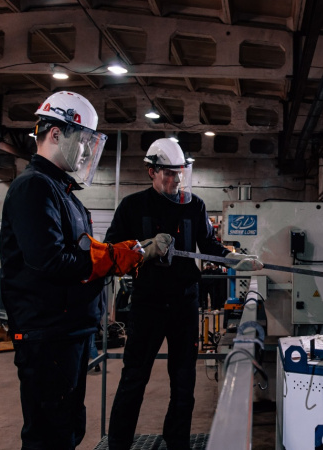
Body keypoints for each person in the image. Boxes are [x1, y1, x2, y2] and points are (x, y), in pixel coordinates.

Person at [0, 91, 165, 449]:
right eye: (84, 140)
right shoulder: (34, 188)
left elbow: (82, 252)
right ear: (57, 133)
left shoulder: (62, 192)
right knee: (49, 434)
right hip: (47, 333)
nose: (88, 151)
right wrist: (116, 257)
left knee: (69, 429)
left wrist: (118, 254)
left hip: (68, 329)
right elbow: (51, 261)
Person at [106, 138, 263, 450]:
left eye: (179, 174)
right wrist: (143, 250)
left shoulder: (195, 206)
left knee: (183, 380)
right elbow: (112, 253)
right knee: (134, 379)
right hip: (147, 303)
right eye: (168, 174)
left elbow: (210, 247)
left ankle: (177, 442)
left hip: (184, 302)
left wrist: (235, 258)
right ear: (150, 171)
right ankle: (119, 445)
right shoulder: (132, 207)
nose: (175, 180)